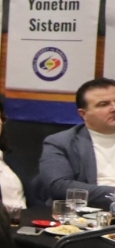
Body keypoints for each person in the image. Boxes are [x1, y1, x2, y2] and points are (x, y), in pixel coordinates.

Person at [35, 77, 115, 210]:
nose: (113, 108)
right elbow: (59, 186)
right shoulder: (60, 143)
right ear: (83, 114)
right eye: (103, 104)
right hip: (86, 214)